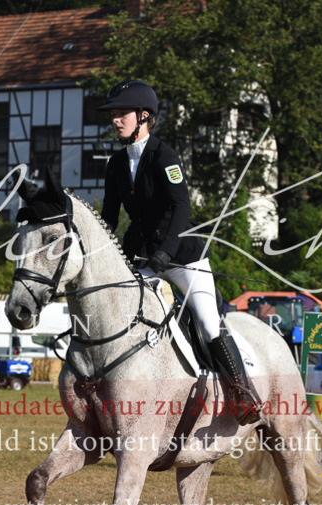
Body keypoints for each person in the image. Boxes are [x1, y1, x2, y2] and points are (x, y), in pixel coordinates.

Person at [97, 79, 259, 424]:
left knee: (208, 322)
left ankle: (243, 394)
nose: (115, 119)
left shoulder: (164, 155)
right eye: (113, 114)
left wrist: (166, 252)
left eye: (122, 113)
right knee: (122, 315)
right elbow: (109, 217)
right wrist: (99, 253)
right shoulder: (115, 164)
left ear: (144, 116)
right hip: (142, 257)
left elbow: (181, 207)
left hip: (182, 255)